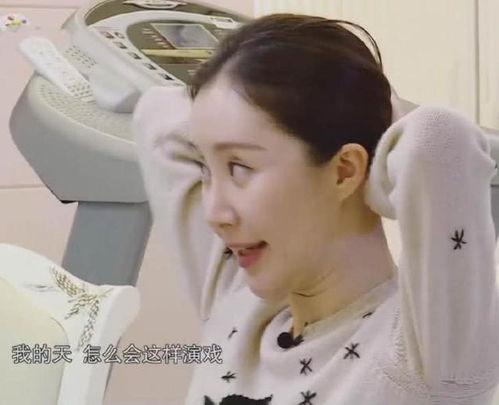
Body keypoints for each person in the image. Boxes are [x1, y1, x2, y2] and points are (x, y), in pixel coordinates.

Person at [133, 14, 499, 404]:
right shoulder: (238, 303)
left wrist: (369, 136)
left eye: (239, 167)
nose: (215, 214)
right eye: (207, 169)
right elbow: (156, 115)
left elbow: (438, 140)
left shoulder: (430, 353)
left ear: (344, 171)